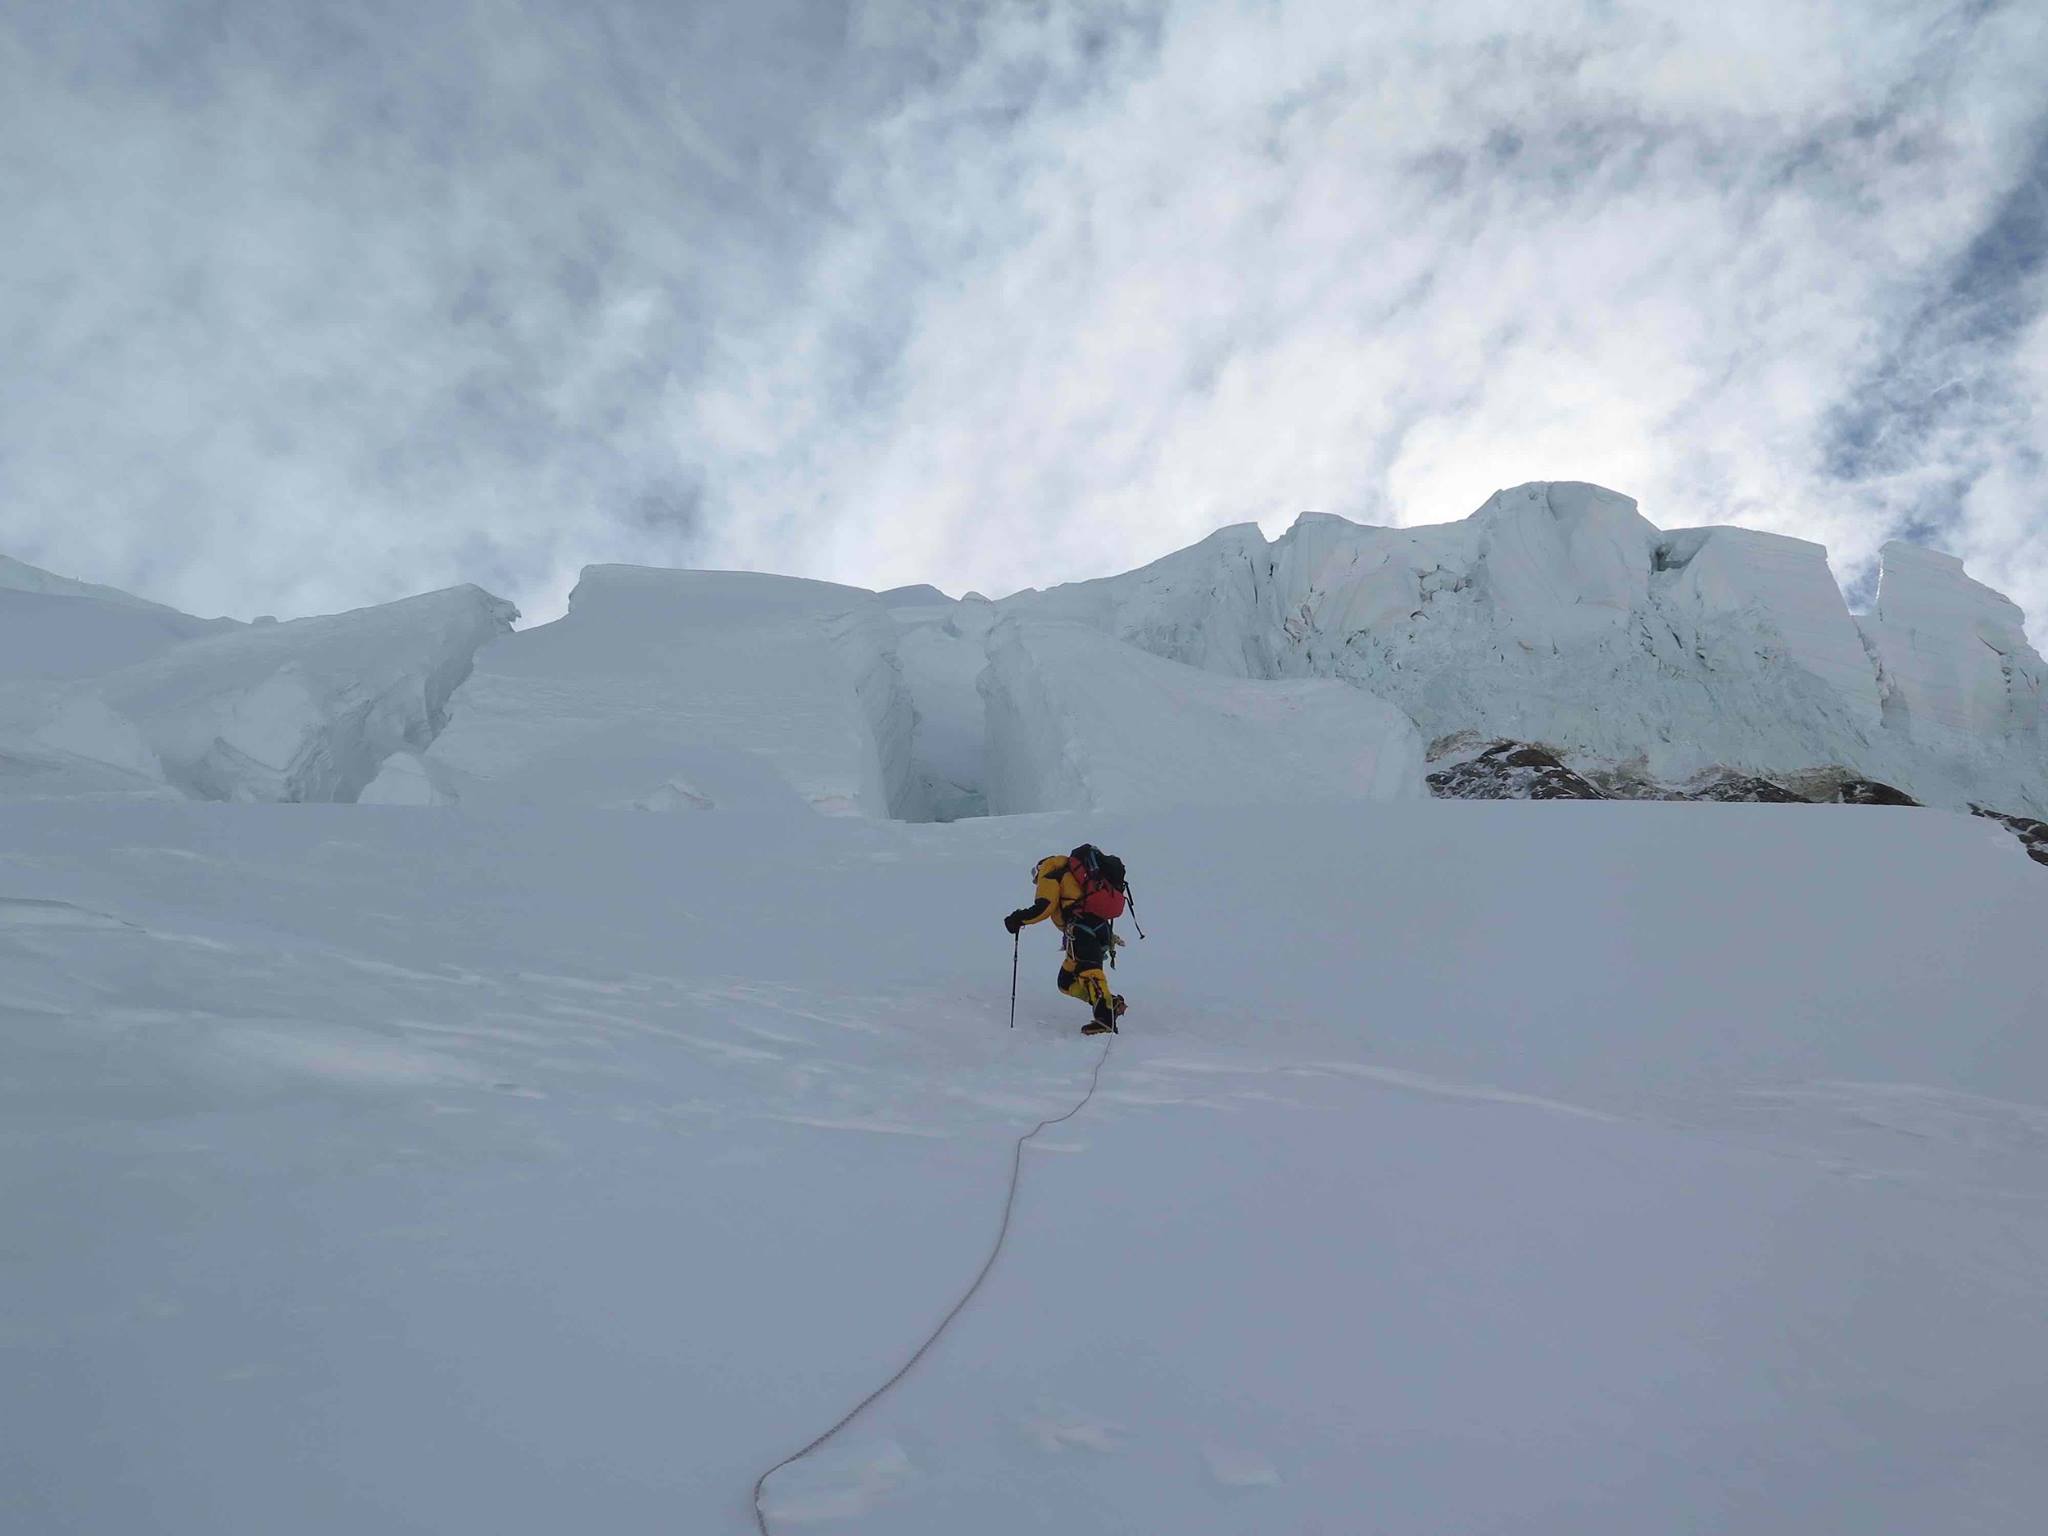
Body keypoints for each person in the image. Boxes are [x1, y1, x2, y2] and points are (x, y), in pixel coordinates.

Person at [1004, 844, 1130, 1035]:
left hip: (1081, 930)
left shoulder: (1051, 874)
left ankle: (1105, 1019)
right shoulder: (1073, 873)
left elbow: (1044, 907)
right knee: (1066, 981)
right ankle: (1109, 1002)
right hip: (1098, 928)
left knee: (1089, 971)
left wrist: (1017, 919)